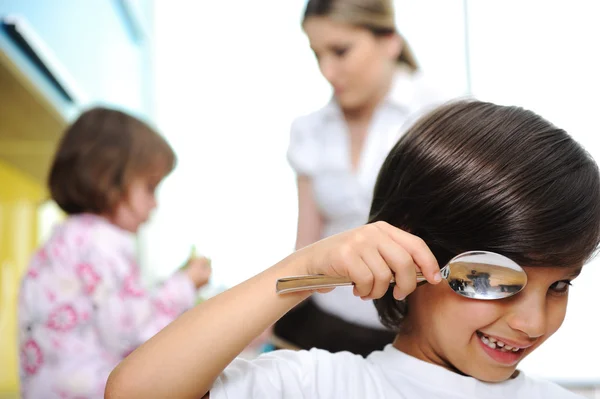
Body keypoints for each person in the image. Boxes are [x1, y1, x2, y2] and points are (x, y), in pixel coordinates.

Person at [105, 100, 599, 398]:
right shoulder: (322, 387)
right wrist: (307, 266)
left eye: (559, 285)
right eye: (497, 280)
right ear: (409, 249)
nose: (534, 323)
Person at [273, 0, 450, 355]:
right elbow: (305, 245)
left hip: (413, 334)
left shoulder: (440, 113)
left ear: (389, 41)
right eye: (317, 54)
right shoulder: (309, 130)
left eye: (340, 51)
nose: (327, 70)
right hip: (324, 325)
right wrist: (257, 319)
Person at [18, 107, 212, 399]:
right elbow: (137, 338)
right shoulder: (104, 242)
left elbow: (115, 313)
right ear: (106, 178)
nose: (154, 204)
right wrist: (184, 285)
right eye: (150, 187)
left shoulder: (64, 238)